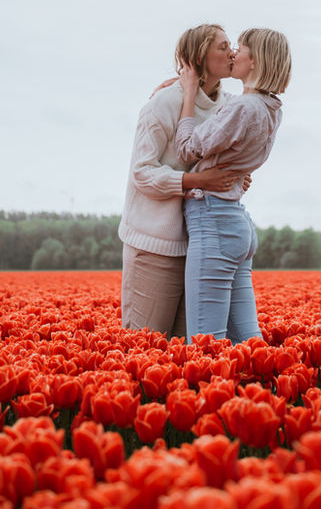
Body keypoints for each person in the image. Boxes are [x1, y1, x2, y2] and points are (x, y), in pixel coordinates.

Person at [119, 23, 248, 338]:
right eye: (222, 46)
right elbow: (142, 172)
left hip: (200, 246)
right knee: (145, 346)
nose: (231, 52)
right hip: (155, 245)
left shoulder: (229, 106)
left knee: (185, 355)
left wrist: (235, 179)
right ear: (199, 56)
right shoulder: (163, 103)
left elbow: (228, 167)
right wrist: (197, 180)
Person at [175, 27, 291, 344]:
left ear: (254, 62)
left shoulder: (241, 108)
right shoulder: (270, 109)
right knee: (248, 343)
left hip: (214, 221)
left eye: (240, 48)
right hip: (235, 221)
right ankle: (260, 393)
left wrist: (187, 94)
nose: (234, 54)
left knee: (204, 344)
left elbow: (186, 148)